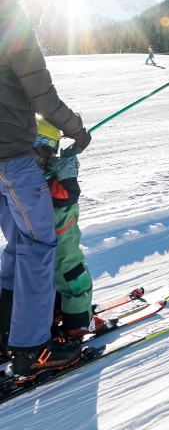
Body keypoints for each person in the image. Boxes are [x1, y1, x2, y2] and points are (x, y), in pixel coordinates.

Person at [0, 0, 91, 381]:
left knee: (18, 241)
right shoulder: (14, 26)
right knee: (39, 245)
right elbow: (44, 99)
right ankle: (32, 349)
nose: (43, 11)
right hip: (12, 160)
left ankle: (7, 331)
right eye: (43, 0)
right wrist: (77, 130)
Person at [33, 118, 113, 339]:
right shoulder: (45, 179)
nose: (53, 155)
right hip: (62, 239)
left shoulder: (24, 172)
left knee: (51, 278)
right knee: (75, 278)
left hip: (41, 239)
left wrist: (68, 160)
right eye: (51, 148)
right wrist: (68, 175)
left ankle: (59, 311)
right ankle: (79, 323)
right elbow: (68, 195)